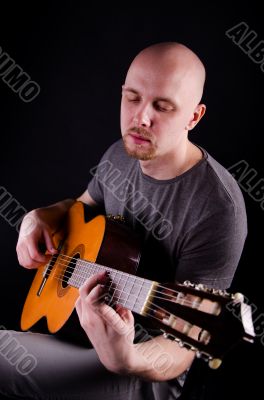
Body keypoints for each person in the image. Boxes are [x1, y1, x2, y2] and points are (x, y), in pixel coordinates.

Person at [0, 42, 247, 399]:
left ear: (194, 117)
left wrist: (125, 357)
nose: (140, 118)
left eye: (162, 106)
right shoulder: (120, 153)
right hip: (78, 329)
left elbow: (182, 349)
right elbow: (81, 206)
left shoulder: (218, 207)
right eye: (132, 98)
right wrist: (38, 216)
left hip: (147, 371)